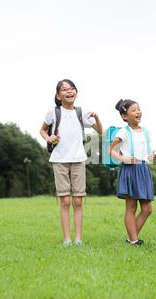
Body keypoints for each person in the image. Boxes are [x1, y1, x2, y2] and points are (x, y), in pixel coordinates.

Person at [40, 79, 103, 247]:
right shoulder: (54, 112)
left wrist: (97, 118)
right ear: (58, 95)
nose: (69, 91)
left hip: (78, 159)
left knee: (78, 201)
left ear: (76, 92)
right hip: (59, 159)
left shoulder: (81, 112)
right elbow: (42, 130)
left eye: (72, 88)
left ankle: (78, 239)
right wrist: (49, 137)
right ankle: (67, 239)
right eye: (64, 89)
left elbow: (100, 131)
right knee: (65, 201)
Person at [109, 99, 154, 246]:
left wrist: (150, 156)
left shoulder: (145, 131)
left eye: (138, 109)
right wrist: (123, 158)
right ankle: (134, 240)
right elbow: (111, 150)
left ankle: (131, 238)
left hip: (143, 169)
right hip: (130, 170)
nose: (138, 112)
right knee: (132, 207)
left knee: (147, 209)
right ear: (125, 116)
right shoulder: (124, 132)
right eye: (134, 110)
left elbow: (145, 149)